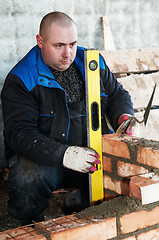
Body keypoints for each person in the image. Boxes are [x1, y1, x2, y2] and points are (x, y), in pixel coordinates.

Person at [1, 11, 134, 224]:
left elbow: (118, 94)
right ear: (40, 41)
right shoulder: (21, 78)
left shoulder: (92, 62)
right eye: (59, 45)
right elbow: (20, 134)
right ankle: (27, 225)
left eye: (72, 44)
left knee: (126, 169)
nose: (68, 54)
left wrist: (124, 116)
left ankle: (81, 203)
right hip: (49, 161)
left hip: (92, 155)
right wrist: (64, 155)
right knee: (27, 176)